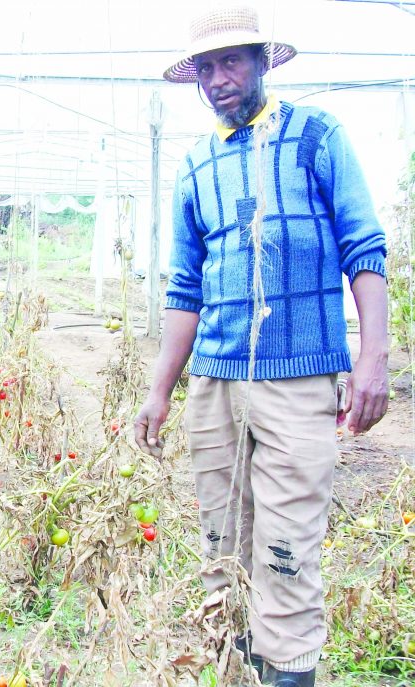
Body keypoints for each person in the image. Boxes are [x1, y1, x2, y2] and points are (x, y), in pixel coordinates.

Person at [134, 5, 389, 687]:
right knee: (223, 548)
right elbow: (185, 287)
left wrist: (373, 353)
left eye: (231, 62)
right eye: (206, 68)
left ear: (262, 62)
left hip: (298, 380)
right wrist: (161, 387)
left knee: (285, 552)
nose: (218, 79)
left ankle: (290, 671)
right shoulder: (196, 166)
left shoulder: (316, 138)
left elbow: (363, 247)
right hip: (216, 383)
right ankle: (237, 666)